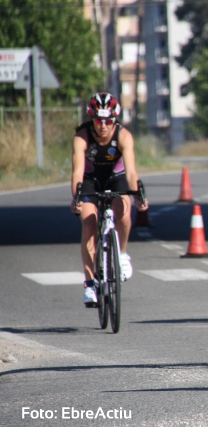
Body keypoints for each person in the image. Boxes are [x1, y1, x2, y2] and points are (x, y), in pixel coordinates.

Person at [71, 92, 149, 307]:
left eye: (107, 121)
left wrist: (138, 195)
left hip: (116, 177)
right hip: (90, 179)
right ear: (91, 119)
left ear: (114, 119)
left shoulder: (124, 136)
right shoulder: (82, 137)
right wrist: (76, 197)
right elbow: (77, 172)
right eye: (98, 120)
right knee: (88, 223)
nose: (103, 126)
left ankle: (121, 254)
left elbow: (131, 172)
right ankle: (89, 283)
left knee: (124, 211)